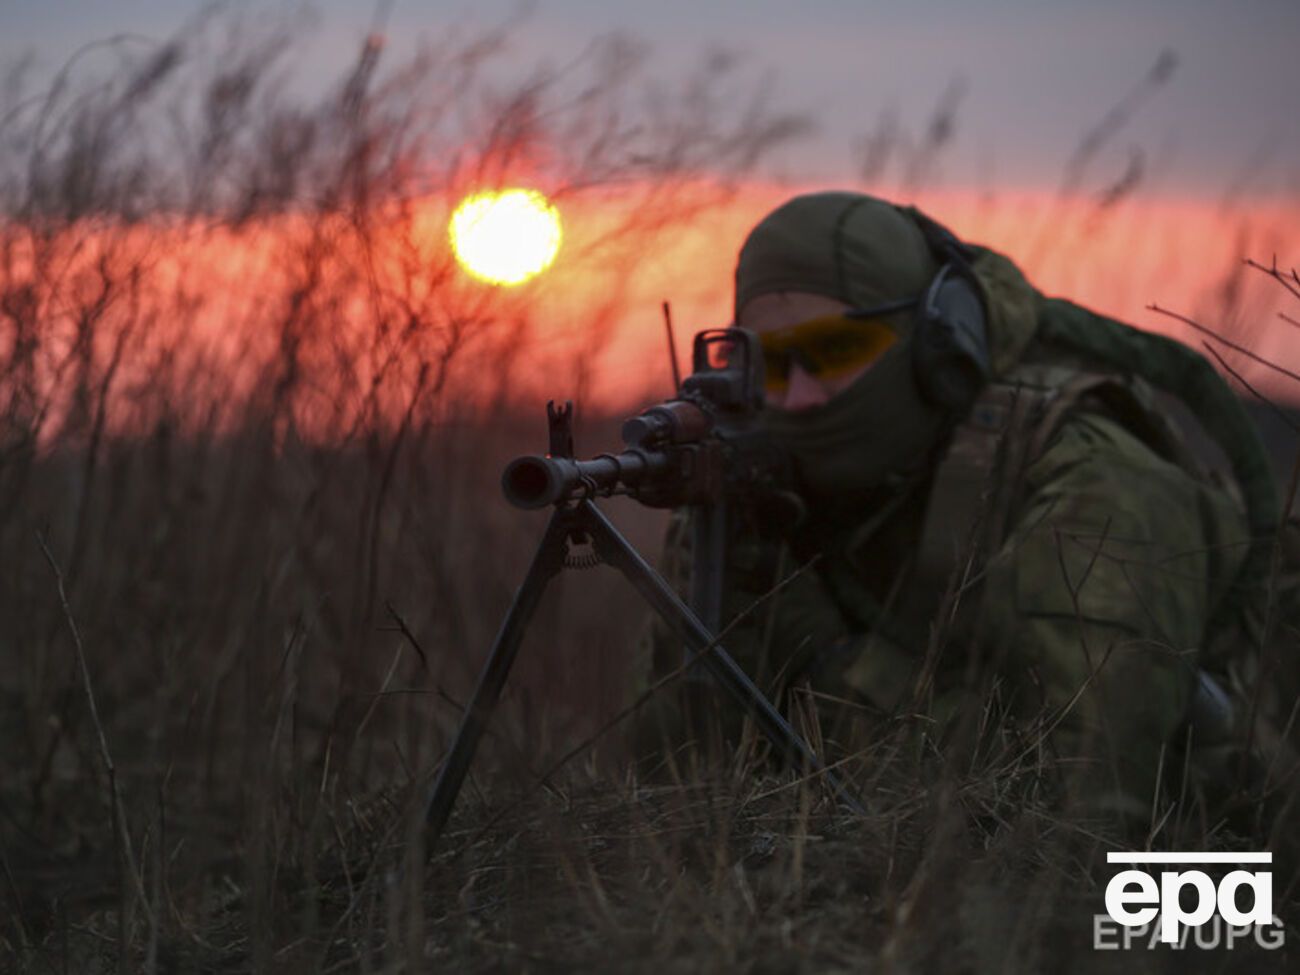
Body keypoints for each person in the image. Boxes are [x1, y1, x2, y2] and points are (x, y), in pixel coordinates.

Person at [633, 190, 1293, 828]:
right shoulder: (771, 487)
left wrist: (825, 662)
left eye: (836, 351)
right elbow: (681, 795)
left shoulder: (1094, 482)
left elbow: (1070, 812)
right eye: (771, 364)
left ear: (935, 348)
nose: (800, 397)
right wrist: (721, 611)